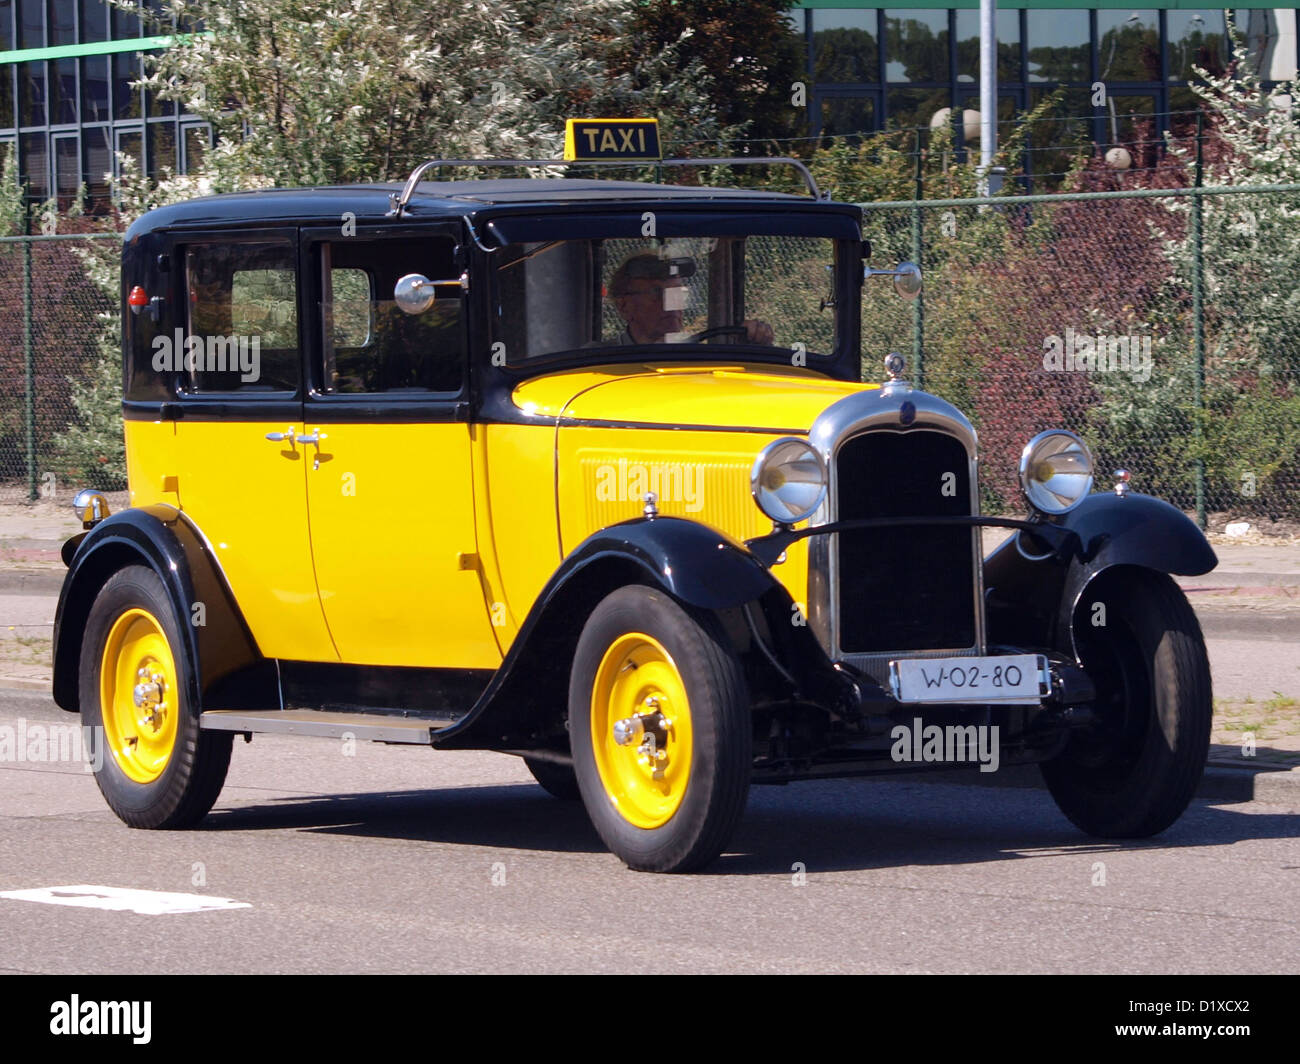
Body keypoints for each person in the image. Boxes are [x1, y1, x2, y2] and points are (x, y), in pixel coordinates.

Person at [608, 251, 774, 345]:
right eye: (657, 293)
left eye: (677, 292)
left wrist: (755, 341)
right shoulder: (599, 362)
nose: (671, 303)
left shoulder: (701, 356)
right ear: (624, 306)